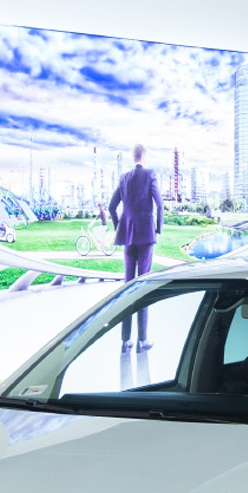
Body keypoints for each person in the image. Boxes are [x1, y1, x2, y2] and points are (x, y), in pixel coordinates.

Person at [107, 142, 163, 350]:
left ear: (133, 157)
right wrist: (158, 229)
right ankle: (142, 340)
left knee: (128, 286)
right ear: (144, 156)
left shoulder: (124, 178)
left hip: (128, 236)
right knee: (143, 285)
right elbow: (159, 204)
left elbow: (111, 207)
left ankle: (125, 340)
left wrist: (119, 227)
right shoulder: (150, 174)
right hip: (146, 236)